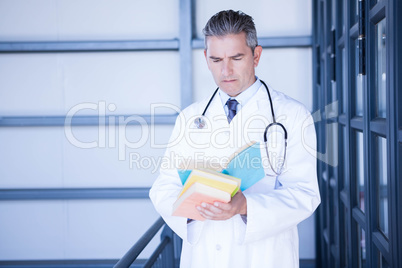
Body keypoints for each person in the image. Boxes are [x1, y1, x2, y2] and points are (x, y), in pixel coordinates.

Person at [149, 10, 320, 268]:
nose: (225, 70)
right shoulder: (190, 117)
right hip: (205, 255)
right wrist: (194, 206)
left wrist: (245, 205)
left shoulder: (292, 115)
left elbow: (305, 194)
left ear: (256, 55)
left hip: (266, 257)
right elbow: (164, 188)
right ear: (206, 58)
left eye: (236, 57)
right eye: (216, 59)